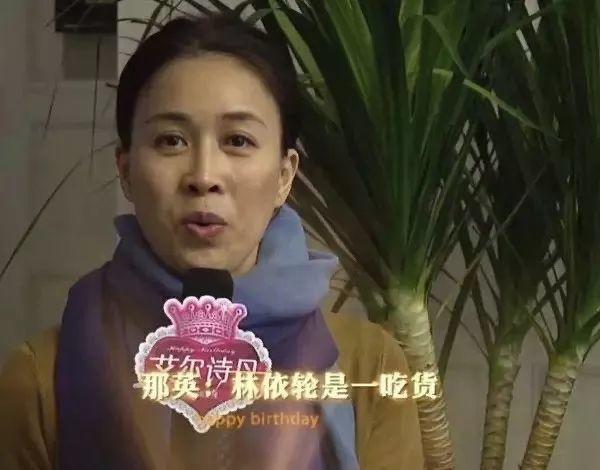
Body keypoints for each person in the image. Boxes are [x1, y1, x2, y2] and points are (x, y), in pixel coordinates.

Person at [0, 13, 423, 470]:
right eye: (171, 140)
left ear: (284, 176)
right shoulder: (41, 379)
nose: (203, 176)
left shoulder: (368, 369)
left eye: (238, 140)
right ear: (126, 170)